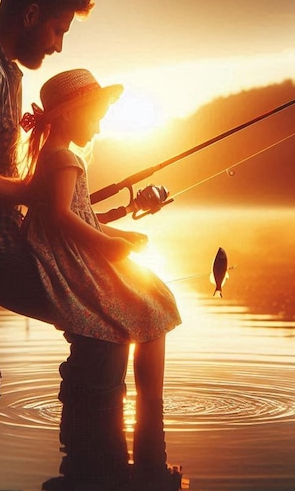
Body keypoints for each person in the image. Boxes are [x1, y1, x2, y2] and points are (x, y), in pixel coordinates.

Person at [0, 0, 171, 491]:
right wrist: (39, 198)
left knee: (114, 307)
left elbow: (11, 186)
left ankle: (97, 446)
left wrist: (62, 206)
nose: (57, 45)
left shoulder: (3, 70)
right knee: (108, 321)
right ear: (30, 15)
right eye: (57, 30)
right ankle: (93, 454)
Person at [20, 68, 182, 491]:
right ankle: (152, 408)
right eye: (95, 115)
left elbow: (83, 216)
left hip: (78, 249)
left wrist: (119, 233)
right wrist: (106, 246)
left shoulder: (59, 156)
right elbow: (59, 217)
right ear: (72, 114)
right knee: (151, 304)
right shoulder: (63, 158)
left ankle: (150, 410)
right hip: (71, 259)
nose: (99, 124)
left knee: (156, 299)